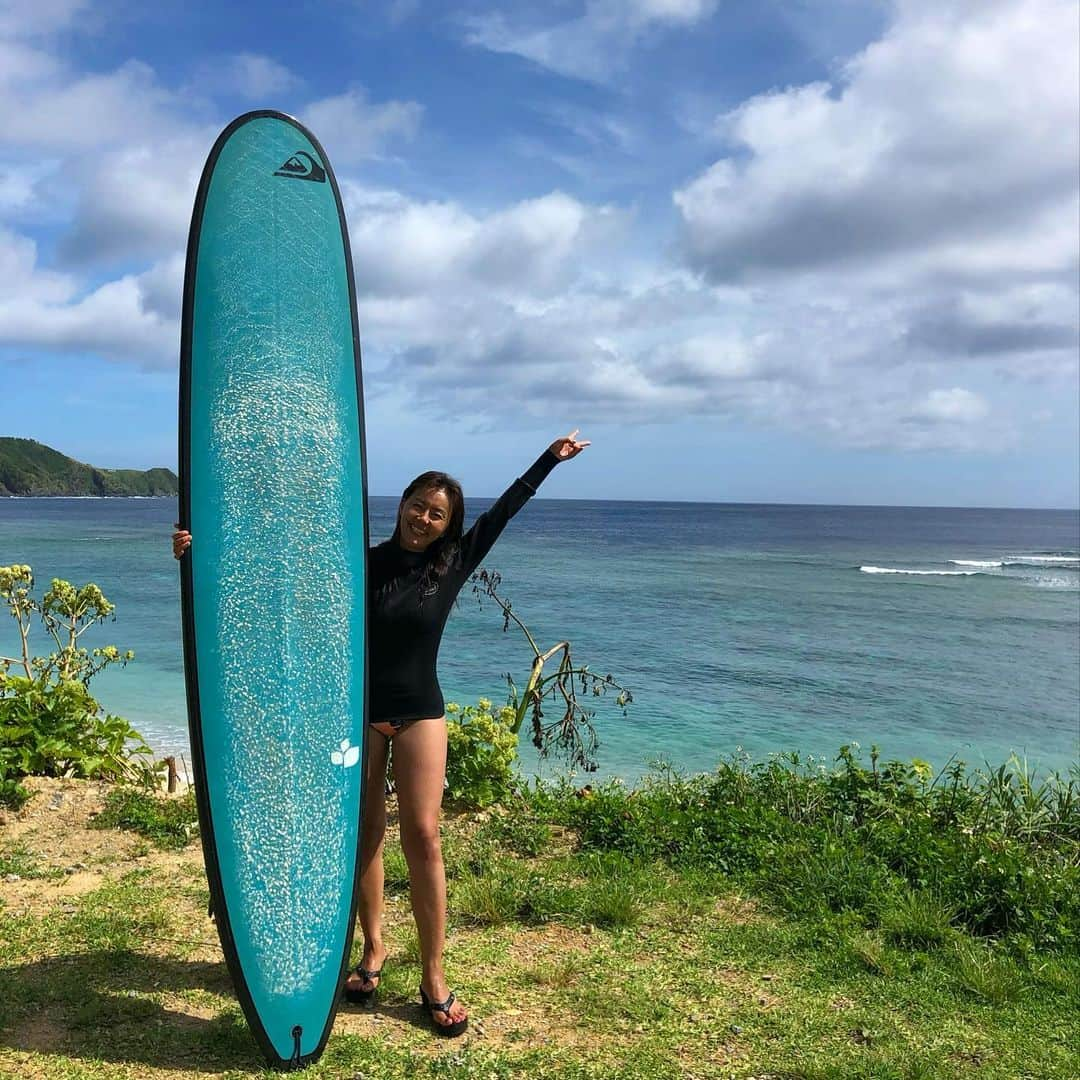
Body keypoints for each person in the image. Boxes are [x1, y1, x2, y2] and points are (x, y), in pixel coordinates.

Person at [172, 430, 590, 1037]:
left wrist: (548, 460)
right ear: (401, 504)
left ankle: (434, 976)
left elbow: (506, 509)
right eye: (418, 505)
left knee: (423, 835)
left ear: (449, 525)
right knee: (365, 832)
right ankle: (373, 950)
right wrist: (200, 548)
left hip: (421, 711)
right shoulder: (358, 564)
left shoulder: (452, 564)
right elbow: (279, 573)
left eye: (438, 513)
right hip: (357, 713)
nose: (424, 518)